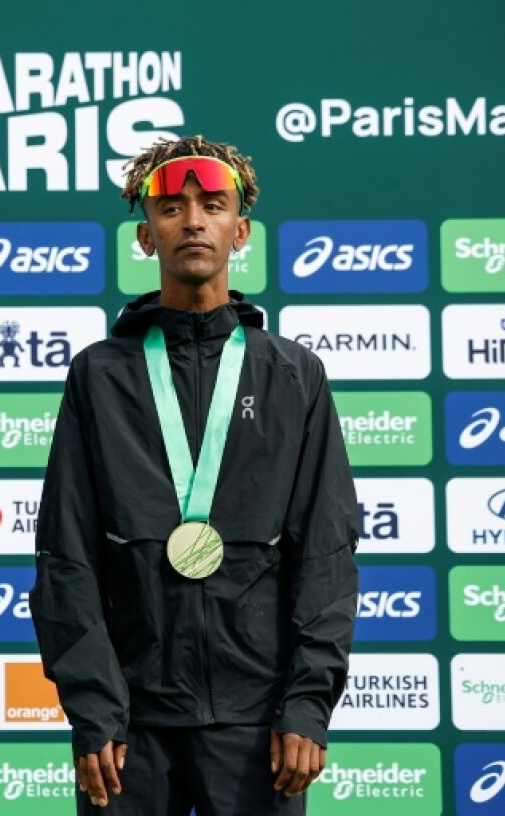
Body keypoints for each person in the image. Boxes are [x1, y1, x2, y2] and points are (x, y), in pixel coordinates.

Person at [30, 135, 359, 816]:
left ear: (240, 230)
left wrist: (306, 703)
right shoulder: (100, 374)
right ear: (146, 235)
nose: (193, 220)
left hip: (257, 719)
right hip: (128, 724)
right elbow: (66, 553)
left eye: (213, 205)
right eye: (172, 207)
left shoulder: (293, 375)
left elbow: (325, 551)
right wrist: (94, 709)